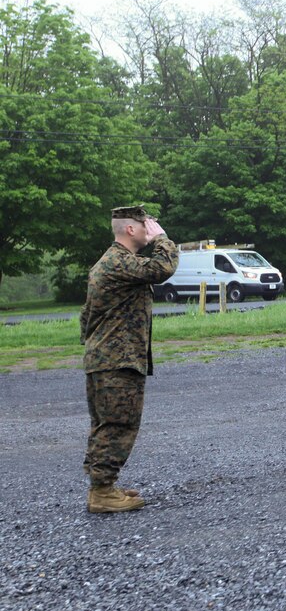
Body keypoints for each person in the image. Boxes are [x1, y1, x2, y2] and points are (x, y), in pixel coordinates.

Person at [80, 205, 178, 513]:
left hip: (106, 358)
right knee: (118, 424)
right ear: (131, 230)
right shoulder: (118, 263)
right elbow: (164, 267)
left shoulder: (111, 263)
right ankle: (102, 492)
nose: (150, 227)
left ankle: (104, 485)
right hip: (116, 361)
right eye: (145, 223)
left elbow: (86, 317)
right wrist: (162, 237)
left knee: (106, 424)